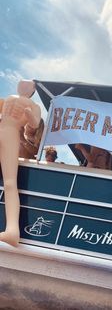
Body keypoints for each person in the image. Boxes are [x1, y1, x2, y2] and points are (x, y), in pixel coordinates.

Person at [0, 94, 41, 247]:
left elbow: (35, 123)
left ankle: (12, 230)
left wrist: (29, 113)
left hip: (11, 132)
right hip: (2, 127)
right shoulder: (8, 98)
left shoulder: (34, 105)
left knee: (10, 182)